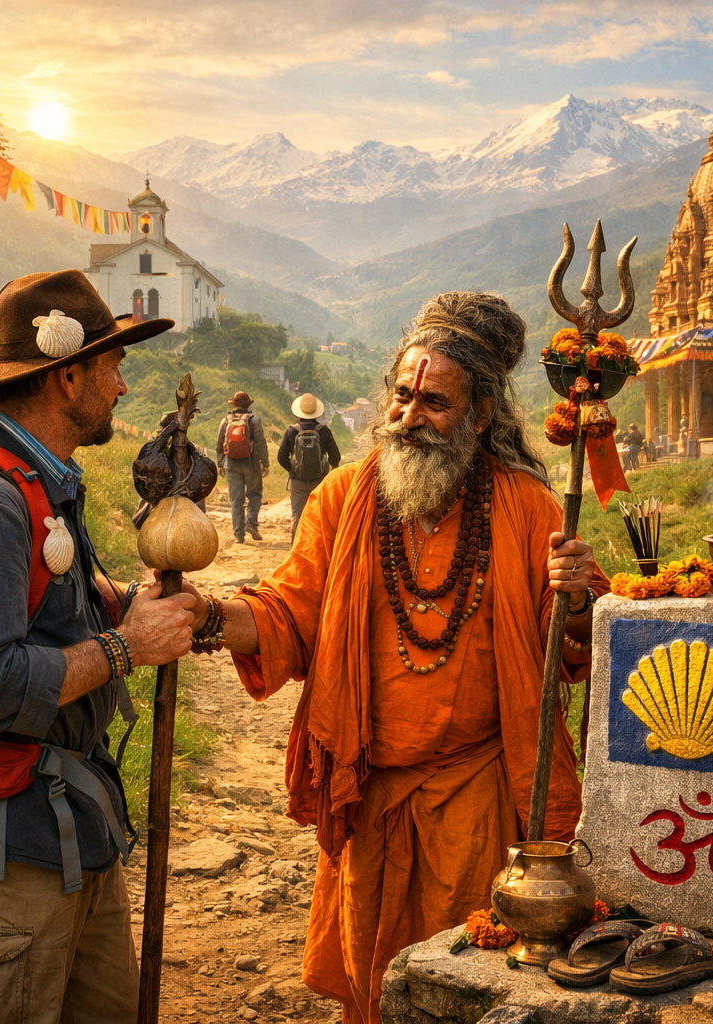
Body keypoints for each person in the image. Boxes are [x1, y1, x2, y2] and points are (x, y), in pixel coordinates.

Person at [183, 291, 607, 1024]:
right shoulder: (344, 497)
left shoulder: (528, 506)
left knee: (475, 986)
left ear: (480, 416)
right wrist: (212, 618)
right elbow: (290, 611)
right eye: (404, 395)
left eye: (436, 402)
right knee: (375, 990)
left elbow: (569, 649)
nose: (410, 416)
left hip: (480, 798)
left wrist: (577, 592)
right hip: (370, 795)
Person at [0, 270, 199, 1024]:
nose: (123, 389)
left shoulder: (38, 479)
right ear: (67, 377)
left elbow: (43, 612)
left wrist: (124, 607)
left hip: (64, 836)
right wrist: (127, 648)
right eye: (112, 367)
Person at [277, 392, 341, 542]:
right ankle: (317, 552)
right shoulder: (324, 431)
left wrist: (293, 469)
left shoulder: (291, 431)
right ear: (316, 412)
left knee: (298, 518)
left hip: (297, 482)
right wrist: (329, 472)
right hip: (319, 481)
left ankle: (296, 552)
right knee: (319, 517)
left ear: (299, 411)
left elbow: (281, 457)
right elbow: (335, 457)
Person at [217, 391, 270, 543]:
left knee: (236, 500)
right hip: (251, 463)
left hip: (231, 463)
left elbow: (220, 442)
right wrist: (265, 463)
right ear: (248, 405)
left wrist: (221, 463)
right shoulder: (254, 419)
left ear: (233, 404)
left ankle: (238, 535)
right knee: (254, 495)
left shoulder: (226, 421)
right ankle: (251, 524)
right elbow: (260, 442)